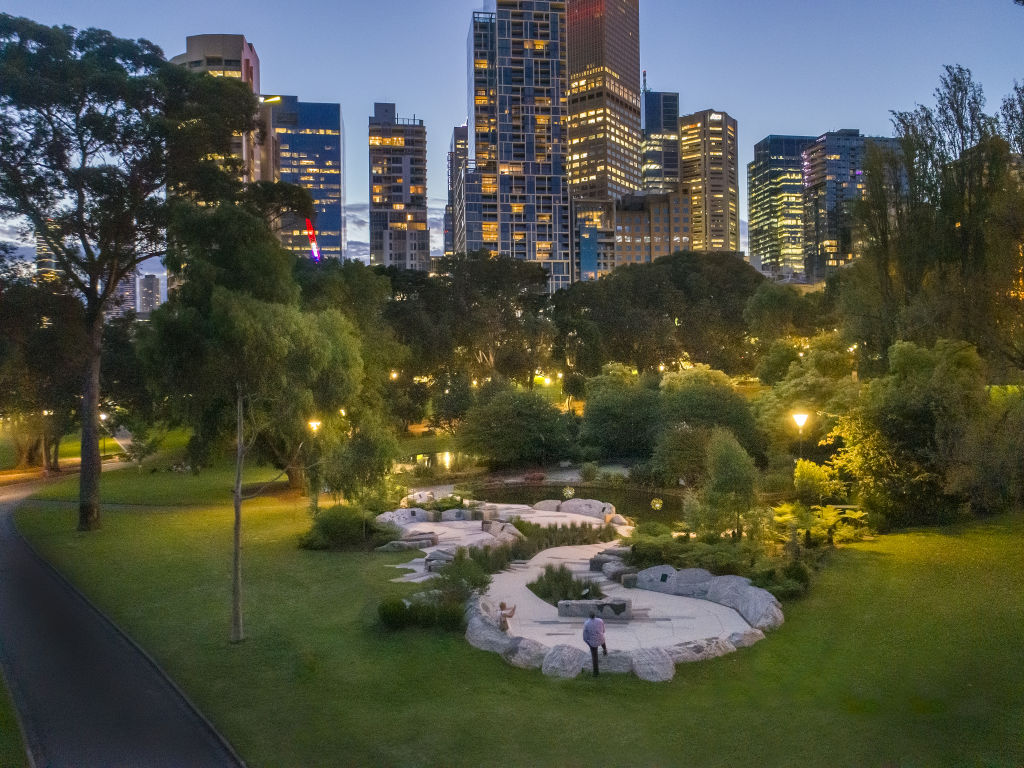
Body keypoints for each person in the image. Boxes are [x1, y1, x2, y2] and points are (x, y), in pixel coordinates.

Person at [582, 611, 607, 676]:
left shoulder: (586, 623)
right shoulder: (600, 620)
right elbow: (603, 631)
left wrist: (589, 644)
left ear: (589, 616)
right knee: (602, 640)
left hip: (593, 643)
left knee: (594, 656)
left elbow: (584, 637)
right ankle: (605, 650)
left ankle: (596, 673)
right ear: (595, 615)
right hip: (601, 639)